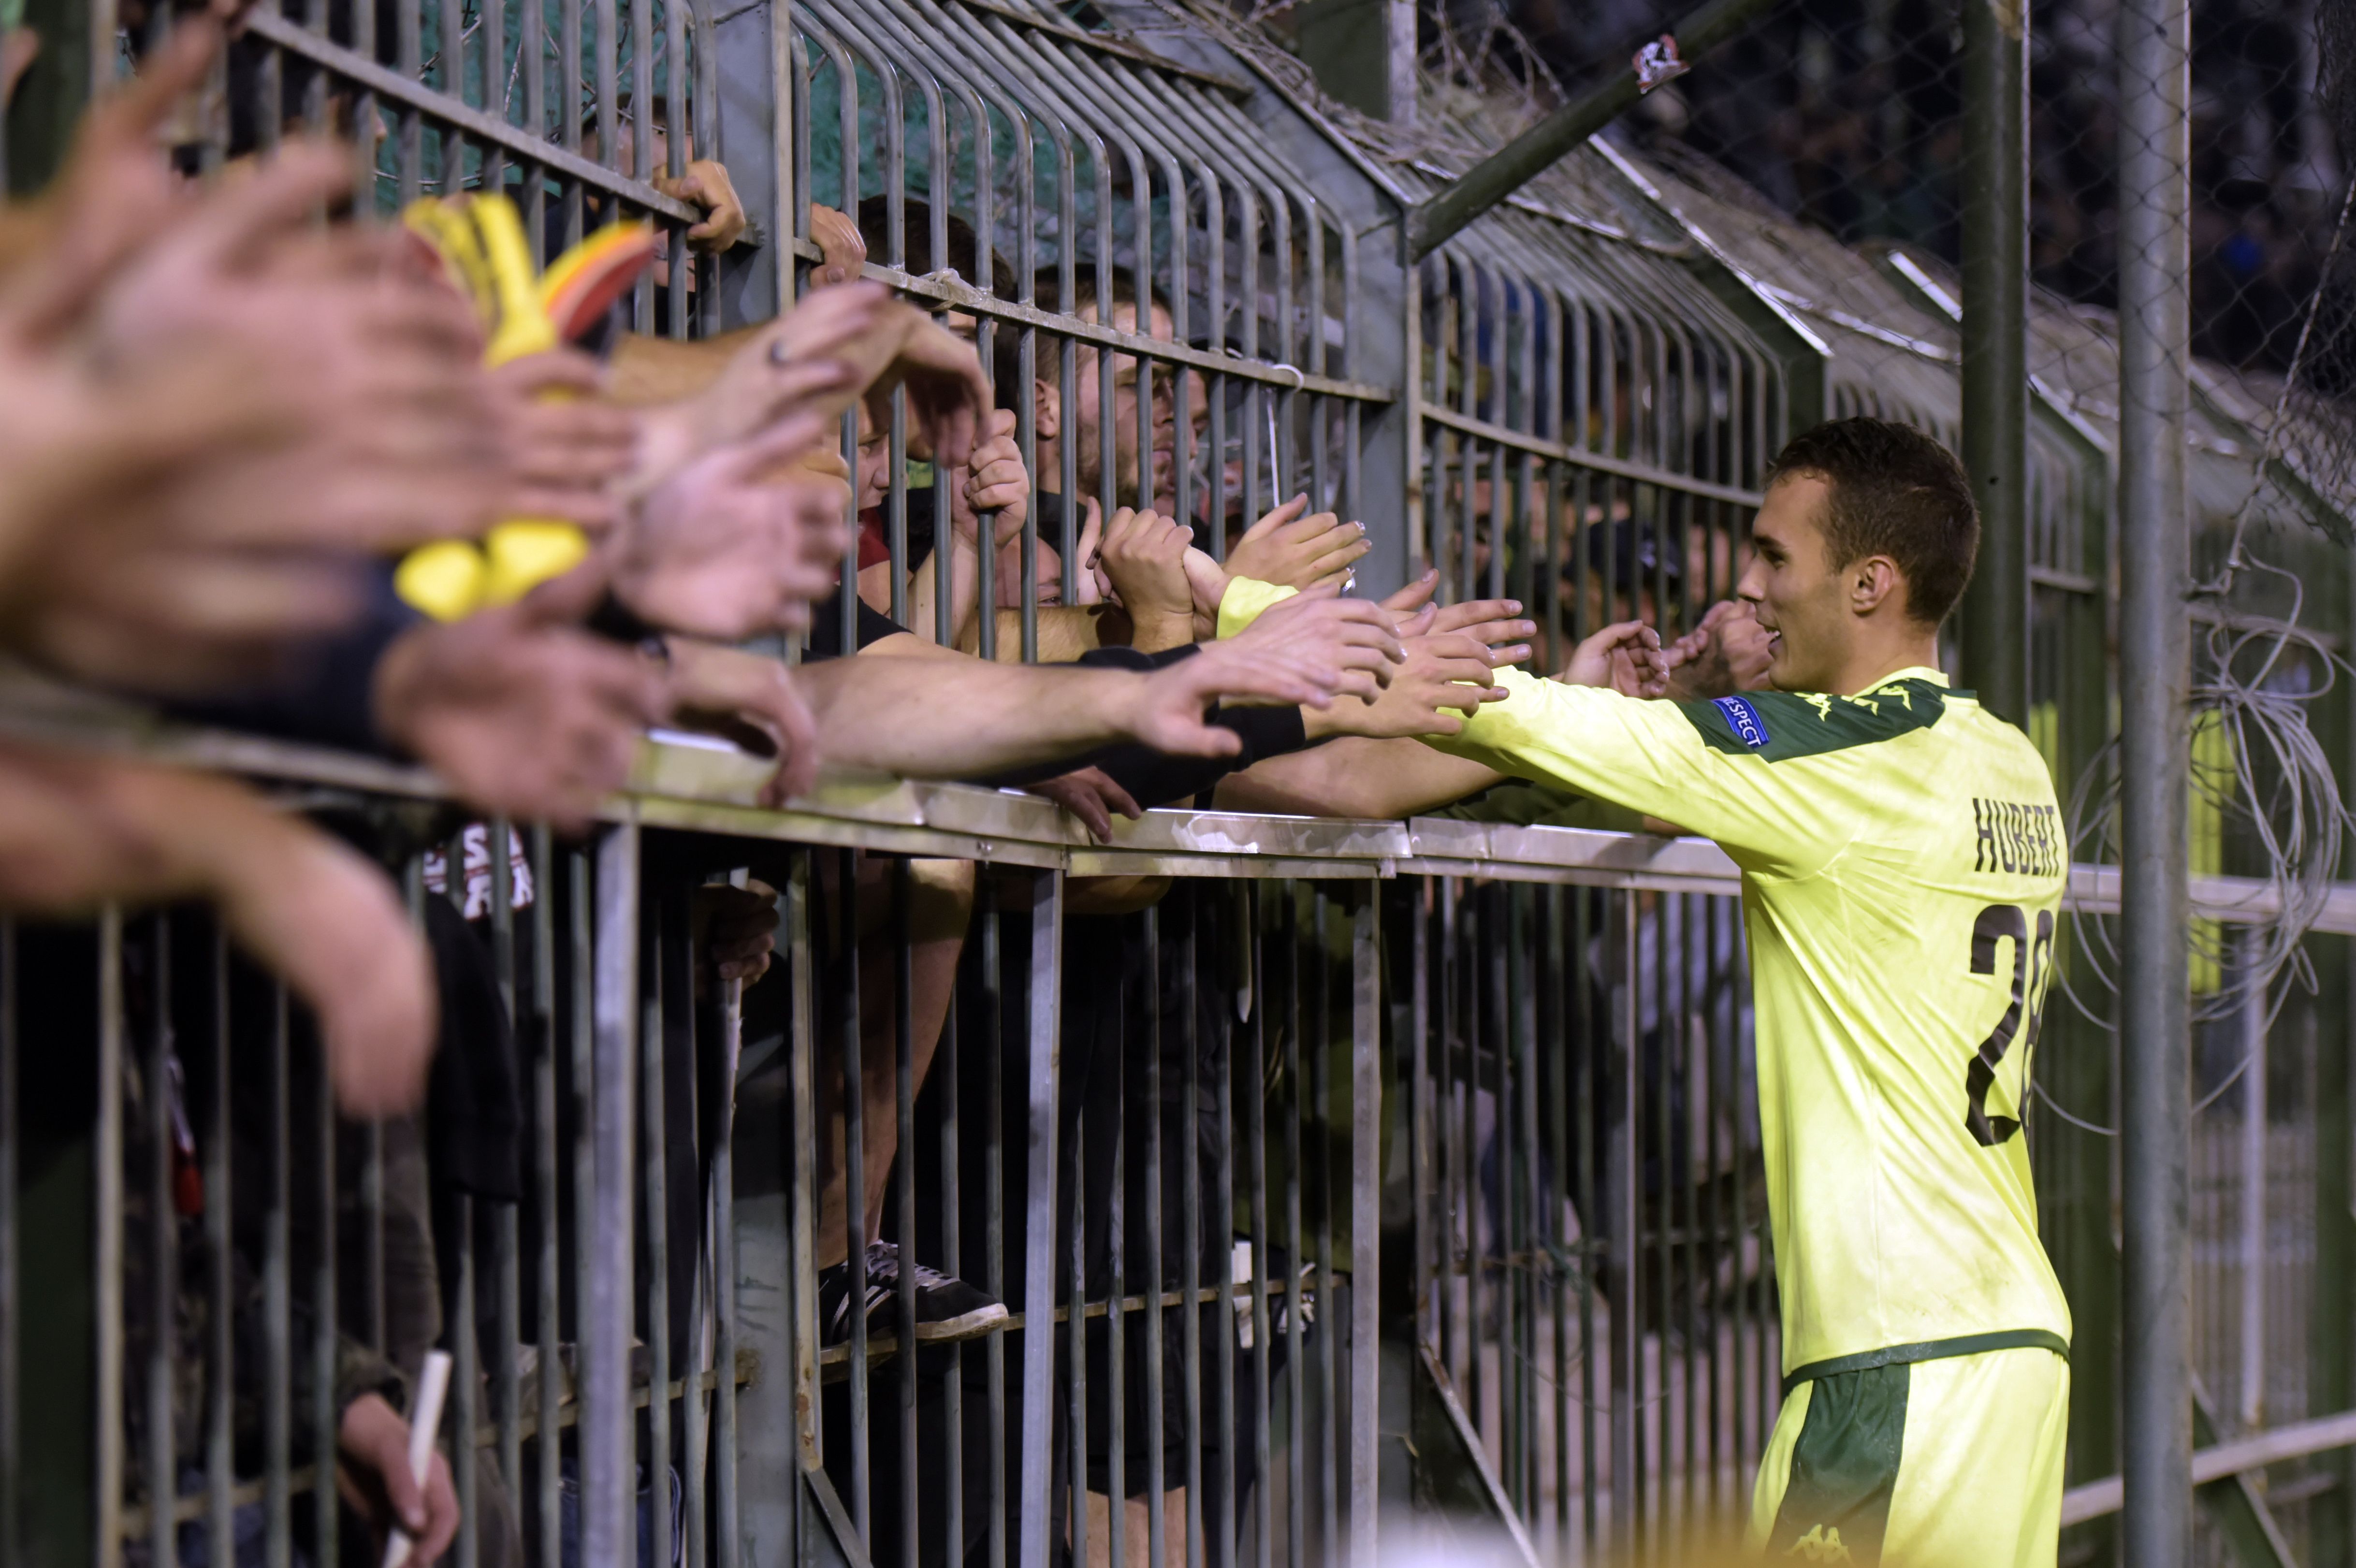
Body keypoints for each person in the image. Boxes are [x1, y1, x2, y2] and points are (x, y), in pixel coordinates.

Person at [1387, 416, 2072, 1564]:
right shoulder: (2004, 758)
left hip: (1893, 1358)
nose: (1745, 587)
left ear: (1869, 584)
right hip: (2009, 1350)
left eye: (1772, 558)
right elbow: (1690, 789)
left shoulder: (1831, 757)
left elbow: (1560, 725)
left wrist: (1263, 623)